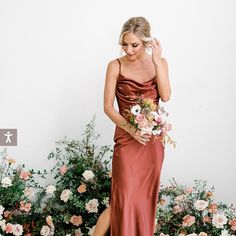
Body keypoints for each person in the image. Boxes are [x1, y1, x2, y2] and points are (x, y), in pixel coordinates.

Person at [94, 16, 171, 236]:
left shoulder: (161, 63)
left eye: (134, 45)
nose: (128, 49)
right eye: (124, 44)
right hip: (127, 140)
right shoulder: (115, 66)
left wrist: (157, 61)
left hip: (152, 143)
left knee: (144, 202)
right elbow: (108, 107)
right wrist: (131, 130)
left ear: (147, 42)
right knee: (122, 201)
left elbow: (165, 96)